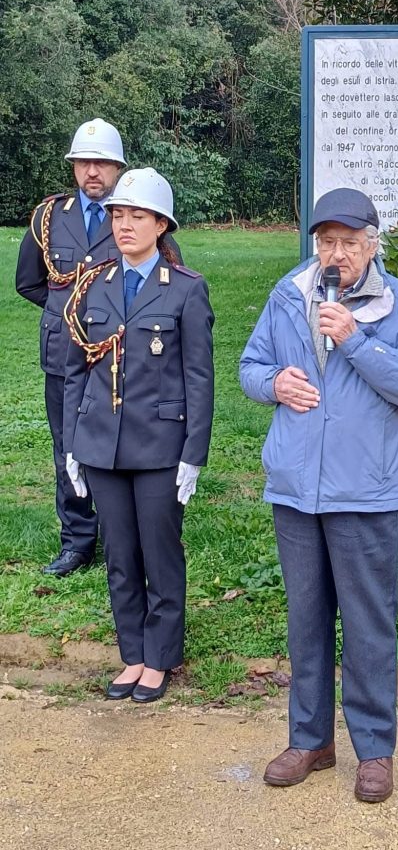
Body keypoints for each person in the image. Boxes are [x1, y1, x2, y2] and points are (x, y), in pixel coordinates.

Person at [240, 188, 398, 803]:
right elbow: (250, 366)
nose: (336, 254)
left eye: (349, 243)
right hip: (296, 489)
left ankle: (374, 750)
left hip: (365, 492)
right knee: (305, 623)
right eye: (326, 242)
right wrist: (274, 383)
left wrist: (355, 338)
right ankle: (310, 741)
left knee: (368, 627)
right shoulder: (288, 294)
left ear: (373, 245)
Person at [62, 168, 214, 703]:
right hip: (101, 443)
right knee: (121, 554)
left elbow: (199, 377)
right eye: (118, 215)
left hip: (159, 446)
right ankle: (132, 653)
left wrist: (193, 452)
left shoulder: (185, 289)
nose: (124, 225)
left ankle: (161, 657)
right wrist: (74, 443)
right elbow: (77, 370)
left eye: (137, 216)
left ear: (161, 224)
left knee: (159, 551)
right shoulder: (94, 285)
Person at [15, 119, 125, 576]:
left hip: (117, 354)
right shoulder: (50, 217)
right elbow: (28, 282)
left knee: (119, 444)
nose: (92, 171)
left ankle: (120, 538)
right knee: (67, 447)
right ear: (74, 167)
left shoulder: (133, 213)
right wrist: (68, 313)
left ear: (118, 169)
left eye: (101, 163)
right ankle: (77, 541)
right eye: (84, 163)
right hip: (62, 353)